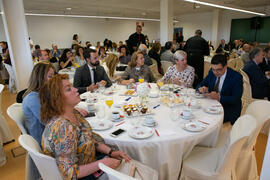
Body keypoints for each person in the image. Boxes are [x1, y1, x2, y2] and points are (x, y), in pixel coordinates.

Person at [40, 74, 131, 180]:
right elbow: (69, 173)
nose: (76, 89)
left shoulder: (74, 113)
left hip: (90, 162)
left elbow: (89, 138)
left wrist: (111, 152)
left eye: (72, 86)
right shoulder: (63, 128)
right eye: (69, 89)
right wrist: (102, 163)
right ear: (57, 99)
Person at [197, 54, 243, 124]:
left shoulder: (236, 77)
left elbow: (236, 98)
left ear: (225, 66)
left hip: (227, 108)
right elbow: (200, 84)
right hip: (211, 105)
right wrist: (201, 88)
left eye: (219, 70)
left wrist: (219, 97)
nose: (215, 72)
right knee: (197, 114)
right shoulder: (211, 72)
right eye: (213, 69)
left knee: (207, 121)